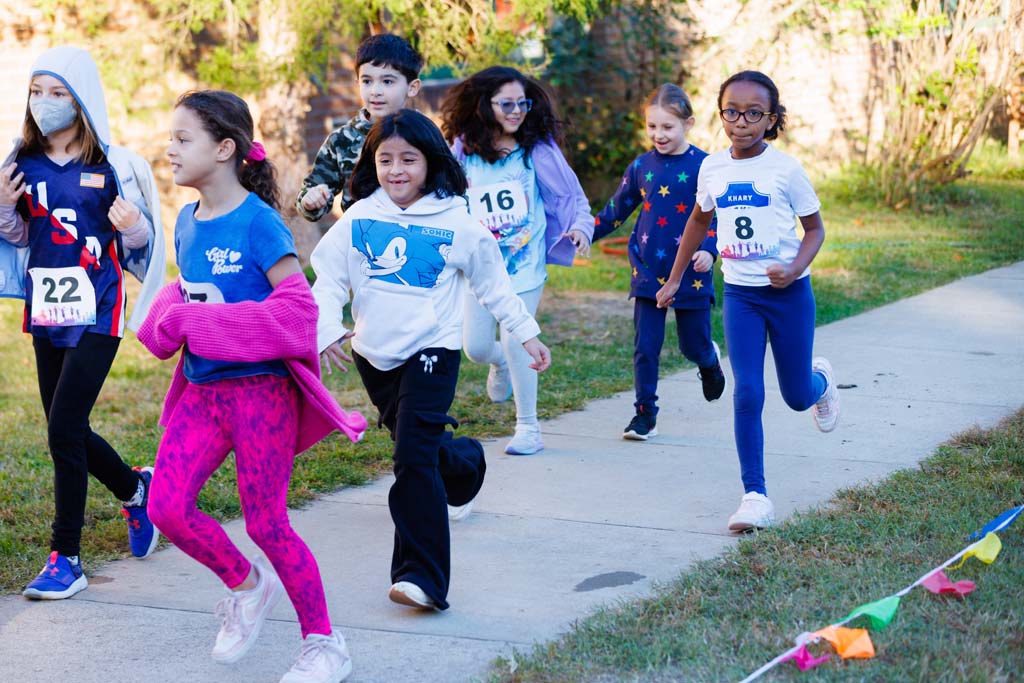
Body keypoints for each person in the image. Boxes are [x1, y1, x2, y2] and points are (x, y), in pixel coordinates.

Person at [138, 89, 367, 683]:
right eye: (171, 138)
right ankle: (247, 585)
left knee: (267, 523)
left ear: (225, 148)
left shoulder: (261, 224)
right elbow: (191, 294)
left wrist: (199, 322)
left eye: (183, 139)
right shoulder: (187, 220)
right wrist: (167, 317)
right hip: (202, 393)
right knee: (165, 505)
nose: (170, 149)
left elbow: (296, 315)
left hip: (261, 397)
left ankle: (324, 643)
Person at [311, 109, 551, 611]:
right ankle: (464, 465)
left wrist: (526, 334)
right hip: (373, 354)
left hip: (432, 351)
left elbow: (493, 286)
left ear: (430, 163)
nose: (396, 171)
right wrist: (327, 328)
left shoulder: (457, 223)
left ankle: (420, 576)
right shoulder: (360, 217)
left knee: (411, 460)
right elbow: (328, 278)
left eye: (408, 160)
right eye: (386, 160)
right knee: (424, 449)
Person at [0, 46, 166, 600]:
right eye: (37, 91)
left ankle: (66, 556)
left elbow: (141, 246)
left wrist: (136, 227)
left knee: (63, 428)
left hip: (98, 307)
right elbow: (22, 238)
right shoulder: (20, 161)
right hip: (47, 308)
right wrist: (3, 207)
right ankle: (135, 488)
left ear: (82, 100)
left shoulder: (114, 165)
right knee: (62, 426)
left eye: (58, 93)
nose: (44, 103)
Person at [656, 70, 840, 532]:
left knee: (796, 396)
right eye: (732, 112)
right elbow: (698, 223)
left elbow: (815, 229)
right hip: (741, 295)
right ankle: (755, 496)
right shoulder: (713, 168)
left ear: (771, 118)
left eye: (753, 113)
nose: (741, 122)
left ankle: (821, 383)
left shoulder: (786, 170)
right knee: (748, 392)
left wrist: (795, 268)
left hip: (789, 294)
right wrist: (674, 278)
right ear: (721, 116)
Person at [439, 65, 591, 456]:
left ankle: (528, 428)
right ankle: (500, 363)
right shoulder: (462, 149)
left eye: (522, 103)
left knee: (516, 338)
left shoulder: (536, 150)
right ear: (483, 104)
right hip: (479, 268)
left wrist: (580, 228)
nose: (516, 111)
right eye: (506, 103)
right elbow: (443, 195)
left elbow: (571, 197)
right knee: (474, 346)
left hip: (524, 265)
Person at [592, 83, 725, 441]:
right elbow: (616, 211)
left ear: (688, 124)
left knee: (690, 345)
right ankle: (644, 414)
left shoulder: (705, 167)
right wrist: (583, 233)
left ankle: (708, 361)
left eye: (667, 127)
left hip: (692, 276)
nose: (659, 135)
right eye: (652, 127)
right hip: (648, 271)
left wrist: (709, 249)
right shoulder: (641, 167)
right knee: (645, 348)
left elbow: (720, 218)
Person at [296, 33, 423, 220]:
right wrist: (311, 201)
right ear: (357, 84)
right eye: (367, 81)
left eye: (387, 81)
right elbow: (310, 198)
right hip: (361, 241)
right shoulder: (341, 140)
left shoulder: (425, 136)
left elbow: (453, 188)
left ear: (412, 87)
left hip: (415, 238)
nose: (375, 91)